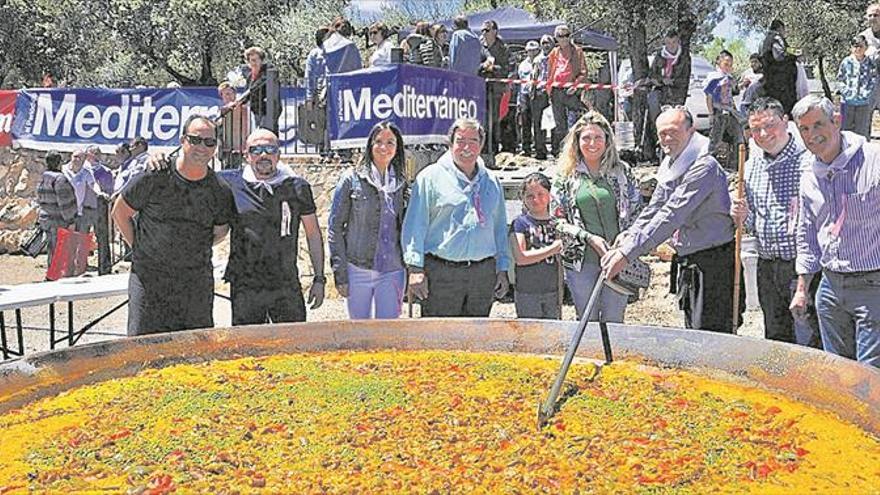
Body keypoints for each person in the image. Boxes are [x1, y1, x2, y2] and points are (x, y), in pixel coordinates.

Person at [601, 106, 743, 333]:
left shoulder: (704, 166)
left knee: (711, 336)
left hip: (713, 263)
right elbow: (655, 207)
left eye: (673, 132)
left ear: (690, 130)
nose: (667, 138)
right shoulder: (673, 163)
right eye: (662, 133)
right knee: (693, 330)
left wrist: (628, 254)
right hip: (689, 259)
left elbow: (672, 214)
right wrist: (629, 236)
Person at [112, 115, 235, 336]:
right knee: (143, 353)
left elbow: (220, 231)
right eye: (195, 140)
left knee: (194, 355)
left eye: (209, 142)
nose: (202, 147)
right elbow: (120, 213)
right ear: (182, 140)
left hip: (194, 284)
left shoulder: (219, 189)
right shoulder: (155, 175)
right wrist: (139, 249)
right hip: (150, 280)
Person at [790, 95, 880, 368]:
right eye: (804, 129)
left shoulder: (874, 160)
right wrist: (802, 288)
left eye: (818, 125)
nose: (812, 135)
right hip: (829, 289)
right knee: (839, 374)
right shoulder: (808, 170)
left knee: (869, 376)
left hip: (872, 287)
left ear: (837, 121)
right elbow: (807, 233)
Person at [730, 97, 821, 348]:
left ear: (785, 121)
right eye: (756, 129)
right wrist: (740, 214)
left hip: (802, 266)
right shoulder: (750, 166)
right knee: (775, 339)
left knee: (807, 339)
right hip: (767, 267)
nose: (763, 134)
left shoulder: (810, 161)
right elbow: (749, 223)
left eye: (769, 125)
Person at [401, 119, 510, 317]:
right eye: (461, 141)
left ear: (481, 145)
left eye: (473, 141)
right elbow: (415, 225)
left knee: (476, 340)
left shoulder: (492, 181)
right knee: (439, 340)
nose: (467, 147)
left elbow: (500, 228)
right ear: (450, 144)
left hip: (482, 275)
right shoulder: (430, 178)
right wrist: (415, 268)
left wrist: (503, 268)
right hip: (442, 274)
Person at [217, 129, 325, 325]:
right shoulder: (229, 183)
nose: (263, 154)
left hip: (285, 283)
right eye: (256, 149)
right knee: (249, 349)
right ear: (246, 155)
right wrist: (158, 159)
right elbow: (191, 174)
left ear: (279, 154)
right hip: (246, 285)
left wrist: (319, 278)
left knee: (292, 348)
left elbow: (313, 235)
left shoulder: (297, 187)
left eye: (269, 148)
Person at [551, 111, 642, 321]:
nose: (592, 143)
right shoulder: (565, 175)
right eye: (586, 138)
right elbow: (557, 220)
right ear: (577, 141)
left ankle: (611, 355)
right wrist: (588, 238)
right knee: (586, 321)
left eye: (598, 137)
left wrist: (627, 235)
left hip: (618, 258)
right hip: (581, 261)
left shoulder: (622, 172)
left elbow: (638, 211)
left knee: (614, 320)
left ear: (607, 140)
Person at [329, 122, 408, 319]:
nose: (384, 147)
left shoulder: (401, 183)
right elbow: (335, 228)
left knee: (388, 335)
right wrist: (340, 272)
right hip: (358, 269)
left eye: (390, 142)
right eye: (378, 141)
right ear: (370, 145)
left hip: (392, 270)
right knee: (359, 334)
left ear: (397, 147)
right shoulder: (351, 179)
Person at [509, 173, 563, 319]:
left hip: (553, 291)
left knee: (552, 334)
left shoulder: (558, 224)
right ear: (523, 198)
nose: (536, 199)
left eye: (541, 194)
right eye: (530, 196)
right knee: (530, 334)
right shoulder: (520, 223)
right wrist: (553, 248)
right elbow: (521, 257)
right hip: (527, 292)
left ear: (549, 195)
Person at [646, 28, 691, 159]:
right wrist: (662, 81)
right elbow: (652, 75)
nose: (671, 46)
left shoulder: (684, 58)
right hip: (661, 92)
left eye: (674, 43)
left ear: (678, 43)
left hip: (677, 94)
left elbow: (685, 79)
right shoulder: (659, 56)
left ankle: (676, 150)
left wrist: (673, 82)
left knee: (675, 122)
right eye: (668, 43)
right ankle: (657, 139)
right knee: (653, 103)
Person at [546, 24, 588, 158]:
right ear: (556, 38)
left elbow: (583, 72)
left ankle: (578, 150)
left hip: (571, 91)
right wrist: (549, 89)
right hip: (556, 91)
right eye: (560, 36)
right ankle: (562, 153)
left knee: (576, 123)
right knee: (559, 125)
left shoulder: (577, 51)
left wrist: (575, 86)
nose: (563, 38)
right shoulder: (553, 53)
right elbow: (549, 73)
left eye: (566, 35)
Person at [36, 151, 77, 267]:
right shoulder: (60, 179)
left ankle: (52, 275)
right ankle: (54, 277)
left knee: (52, 249)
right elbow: (65, 203)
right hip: (57, 219)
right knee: (59, 250)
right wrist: (71, 220)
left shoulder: (43, 177)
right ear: (59, 163)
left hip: (46, 218)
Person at [704, 50, 743, 170]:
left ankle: (735, 165)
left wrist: (736, 112)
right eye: (726, 64)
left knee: (738, 137)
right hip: (718, 112)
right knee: (715, 139)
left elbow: (731, 96)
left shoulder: (730, 79)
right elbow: (709, 96)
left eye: (730, 65)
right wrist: (711, 113)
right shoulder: (714, 78)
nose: (728, 67)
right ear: (719, 63)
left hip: (730, 111)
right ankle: (709, 166)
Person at [478, 20, 510, 160]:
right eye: (482, 30)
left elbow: (507, 69)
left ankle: (494, 148)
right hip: (480, 88)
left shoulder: (503, 48)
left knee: (494, 120)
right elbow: (474, 65)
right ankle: (483, 148)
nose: (484, 33)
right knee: (482, 120)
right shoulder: (479, 47)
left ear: (495, 31)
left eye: (487, 30)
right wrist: (483, 66)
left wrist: (493, 68)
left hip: (496, 89)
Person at [837, 35, 877, 139]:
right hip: (847, 103)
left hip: (863, 103)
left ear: (866, 47)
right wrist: (846, 92)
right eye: (855, 46)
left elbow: (873, 80)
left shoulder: (870, 63)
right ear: (851, 48)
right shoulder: (846, 62)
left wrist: (866, 94)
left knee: (861, 132)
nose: (858, 49)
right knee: (845, 131)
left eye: (860, 46)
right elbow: (840, 79)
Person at [85, 145, 114, 274]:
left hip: (99, 205)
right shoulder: (82, 169)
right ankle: (81, 265)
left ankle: (104, 266)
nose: (96, 155)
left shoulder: (105, 171)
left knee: (102, 236)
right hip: (84, 206)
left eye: (98, 153)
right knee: (81, 236)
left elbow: (109, 189)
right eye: (93, 153)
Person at [761, 19, 799, 116]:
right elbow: (779, 56)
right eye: (784, 29)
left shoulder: (764, 41)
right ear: (780, 28)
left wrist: (795, 52)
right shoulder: (776, 38)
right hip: (782, 85)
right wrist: (795, 56)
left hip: (771, 84)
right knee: (784, 112)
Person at [241, 46, 279, 133]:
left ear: (261, 60)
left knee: (267, 134)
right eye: (251, 60)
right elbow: (247, 93)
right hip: (256, 110)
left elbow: (257, 86)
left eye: (256, 60)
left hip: (268, 110)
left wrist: (250, 91)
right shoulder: (250, 76)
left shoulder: (268, 71)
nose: (254, 63)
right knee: (259, 135)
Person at [63, 149, 99, 235]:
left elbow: (93, 184)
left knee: (74, 237)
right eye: (75, 157)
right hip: (62, 210)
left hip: (77, 211)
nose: (77, 160)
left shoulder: (86, 172)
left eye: (80, 158)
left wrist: (99, 193)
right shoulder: (62, 170)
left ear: (84, 161)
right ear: (71, 157)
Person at [531, 35, 555, 160]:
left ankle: (556, 149)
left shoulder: (557, 57)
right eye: (543, 43)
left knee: (555, 122)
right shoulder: (537, 59)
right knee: (538, 122)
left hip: (554, 91)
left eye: (548, 42)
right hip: (540, 92)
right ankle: (540, 150)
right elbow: (534, 76)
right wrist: (532, 92)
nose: (546, 45)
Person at [217, 81, 250, 169]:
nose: (229, 96)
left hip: (238, 146)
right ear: (222, 97)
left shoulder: (242, 108)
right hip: (225, 147)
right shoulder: (221, 111)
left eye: (231, 93)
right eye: (226, 94)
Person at [517, 41, 540, 157]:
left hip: (537, 94)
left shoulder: (541, 62)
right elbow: (519, 82)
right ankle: (526, 148)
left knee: (537, 122)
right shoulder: (522, 65)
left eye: (535, 50)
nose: (532, 52)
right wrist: (518, 101)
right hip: (524, 94)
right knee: (525, 122)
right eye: (530, 50)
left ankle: (538, 147)